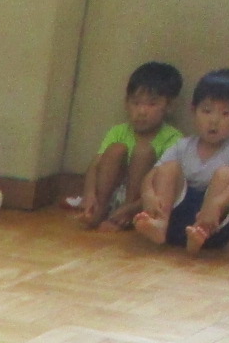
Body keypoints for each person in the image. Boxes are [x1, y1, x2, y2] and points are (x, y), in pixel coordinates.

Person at [134, 69, 229, 255]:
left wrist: (217, 203)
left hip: (218, 221)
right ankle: (160, 224)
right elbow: (151, 175)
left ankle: (201, 233)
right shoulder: (182, 145)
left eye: (226, 113)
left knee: (226, 174)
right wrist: (148, 195)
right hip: (178, 221)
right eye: (206, 111)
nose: (214, 120)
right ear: (194, 110)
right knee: (167, 168)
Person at [73, 62, 183, 230]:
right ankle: (99, 209)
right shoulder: (118, 131)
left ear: (169, 106)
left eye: (152, 104)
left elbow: (164, 185)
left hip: (142, 200)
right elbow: (96, 165)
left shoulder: (173, 138)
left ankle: (126, 216)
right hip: (111, 193)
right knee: (116, 149)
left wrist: (131, 207)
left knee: (144, 151)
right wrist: (89, 194)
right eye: (136, 103)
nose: (142, 111)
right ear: (126, 103)